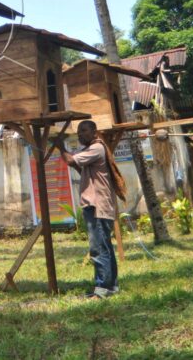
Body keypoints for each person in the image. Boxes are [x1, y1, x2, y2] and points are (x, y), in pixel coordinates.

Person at [55, 120, 127, 299]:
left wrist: (59, 146)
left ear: (94, 132)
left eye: (84, 131)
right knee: (106, 247)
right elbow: (80, 168)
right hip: (98, 205)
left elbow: (70, 160)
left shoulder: (96, 148)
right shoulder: (92, 150)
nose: (80, 134)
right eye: (79, 132)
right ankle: (111, 287)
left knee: (98, 249)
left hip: (97, 206)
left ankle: (102, 289)